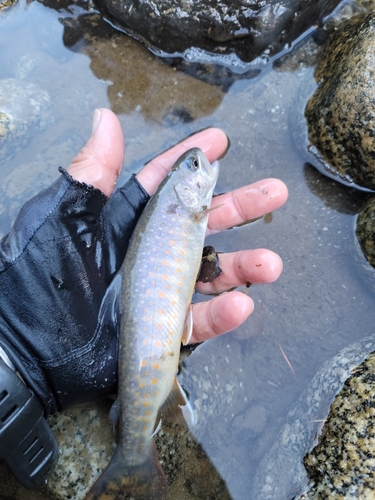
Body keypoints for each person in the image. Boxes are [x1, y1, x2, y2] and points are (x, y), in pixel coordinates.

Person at [0, 108, 288, 488]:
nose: (198, 167)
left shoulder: (184, 209)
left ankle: (135, 453)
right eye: (191, 170)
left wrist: (15, 345)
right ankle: (134, 454)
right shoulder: (182, 210)